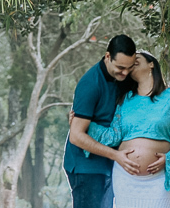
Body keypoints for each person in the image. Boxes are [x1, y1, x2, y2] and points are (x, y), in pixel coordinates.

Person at [84, 52, 170, 208]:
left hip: (159, 179)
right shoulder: (125, 99)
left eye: (136, 60)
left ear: (151, 64)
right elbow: (114, 136)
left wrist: (169, 157)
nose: (131, 63)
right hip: (125, 177)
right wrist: (85, 122)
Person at [65, 34, 139, 208]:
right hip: (86, 168)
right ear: (107, 57)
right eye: (121, 67)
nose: (125, 73)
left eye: (129, 68)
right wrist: (116, 155)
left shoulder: (124, 78)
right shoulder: (90, 84)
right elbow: (76, 136)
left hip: (110, 166)